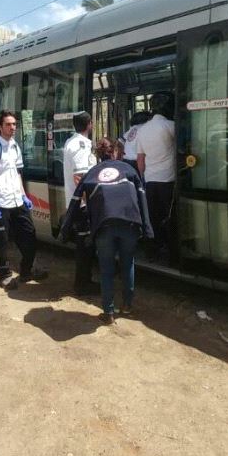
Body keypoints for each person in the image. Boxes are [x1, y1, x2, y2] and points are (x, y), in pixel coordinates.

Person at [60, 138, 153, 324]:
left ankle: (108, 312)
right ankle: (127, 306)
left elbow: (75, 202)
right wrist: (147, 228)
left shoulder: (91, 174)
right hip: (130, 224)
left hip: (104, 227)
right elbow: (142, 199)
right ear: (116, 152)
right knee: (127, 264)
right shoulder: (129, 170)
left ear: (97, 155)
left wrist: (65, 229)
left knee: (106, 269)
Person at [0, 110, 39, 291]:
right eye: (8, 124)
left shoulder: (15, 146)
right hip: (1, 203)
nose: (13, 128)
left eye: (14, 124)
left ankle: (26, 270)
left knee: (29, 236)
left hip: (17, 201)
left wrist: (23, 195)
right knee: (2, 242)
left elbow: (17, 173)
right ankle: (4, 274)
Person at [136, 93, 176, 260]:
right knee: (170, 217)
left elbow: (140, 160)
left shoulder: (143, 130)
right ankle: (172, 250)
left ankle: (153, 249)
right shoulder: (171, 126)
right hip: (168, 181)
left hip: (150, 181)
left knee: (153, 217)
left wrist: (143, 178)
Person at [62, 112, 98, 295]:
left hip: (77, 203)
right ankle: (82, 285)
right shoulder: (81, 145)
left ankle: (84, 281)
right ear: (89, 124)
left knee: (84, 245)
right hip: (82, 205)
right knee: (84, 247)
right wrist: (88, 202)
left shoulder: (71, 142)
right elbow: (80, 177)